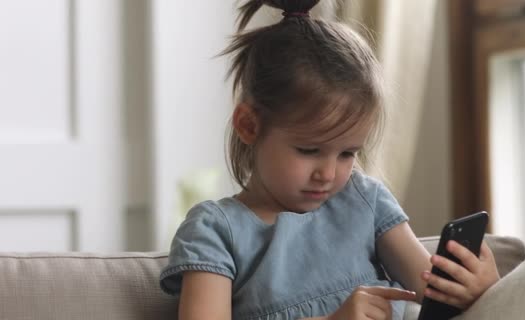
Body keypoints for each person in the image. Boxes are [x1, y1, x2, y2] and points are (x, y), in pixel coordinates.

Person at [160, 1, 500, 319]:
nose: (328, 173)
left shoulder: (365, 199)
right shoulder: (216, 230)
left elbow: (433, 292)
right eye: (309, 151)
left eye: (348, 153)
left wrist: (478, 288)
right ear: (249, 125)